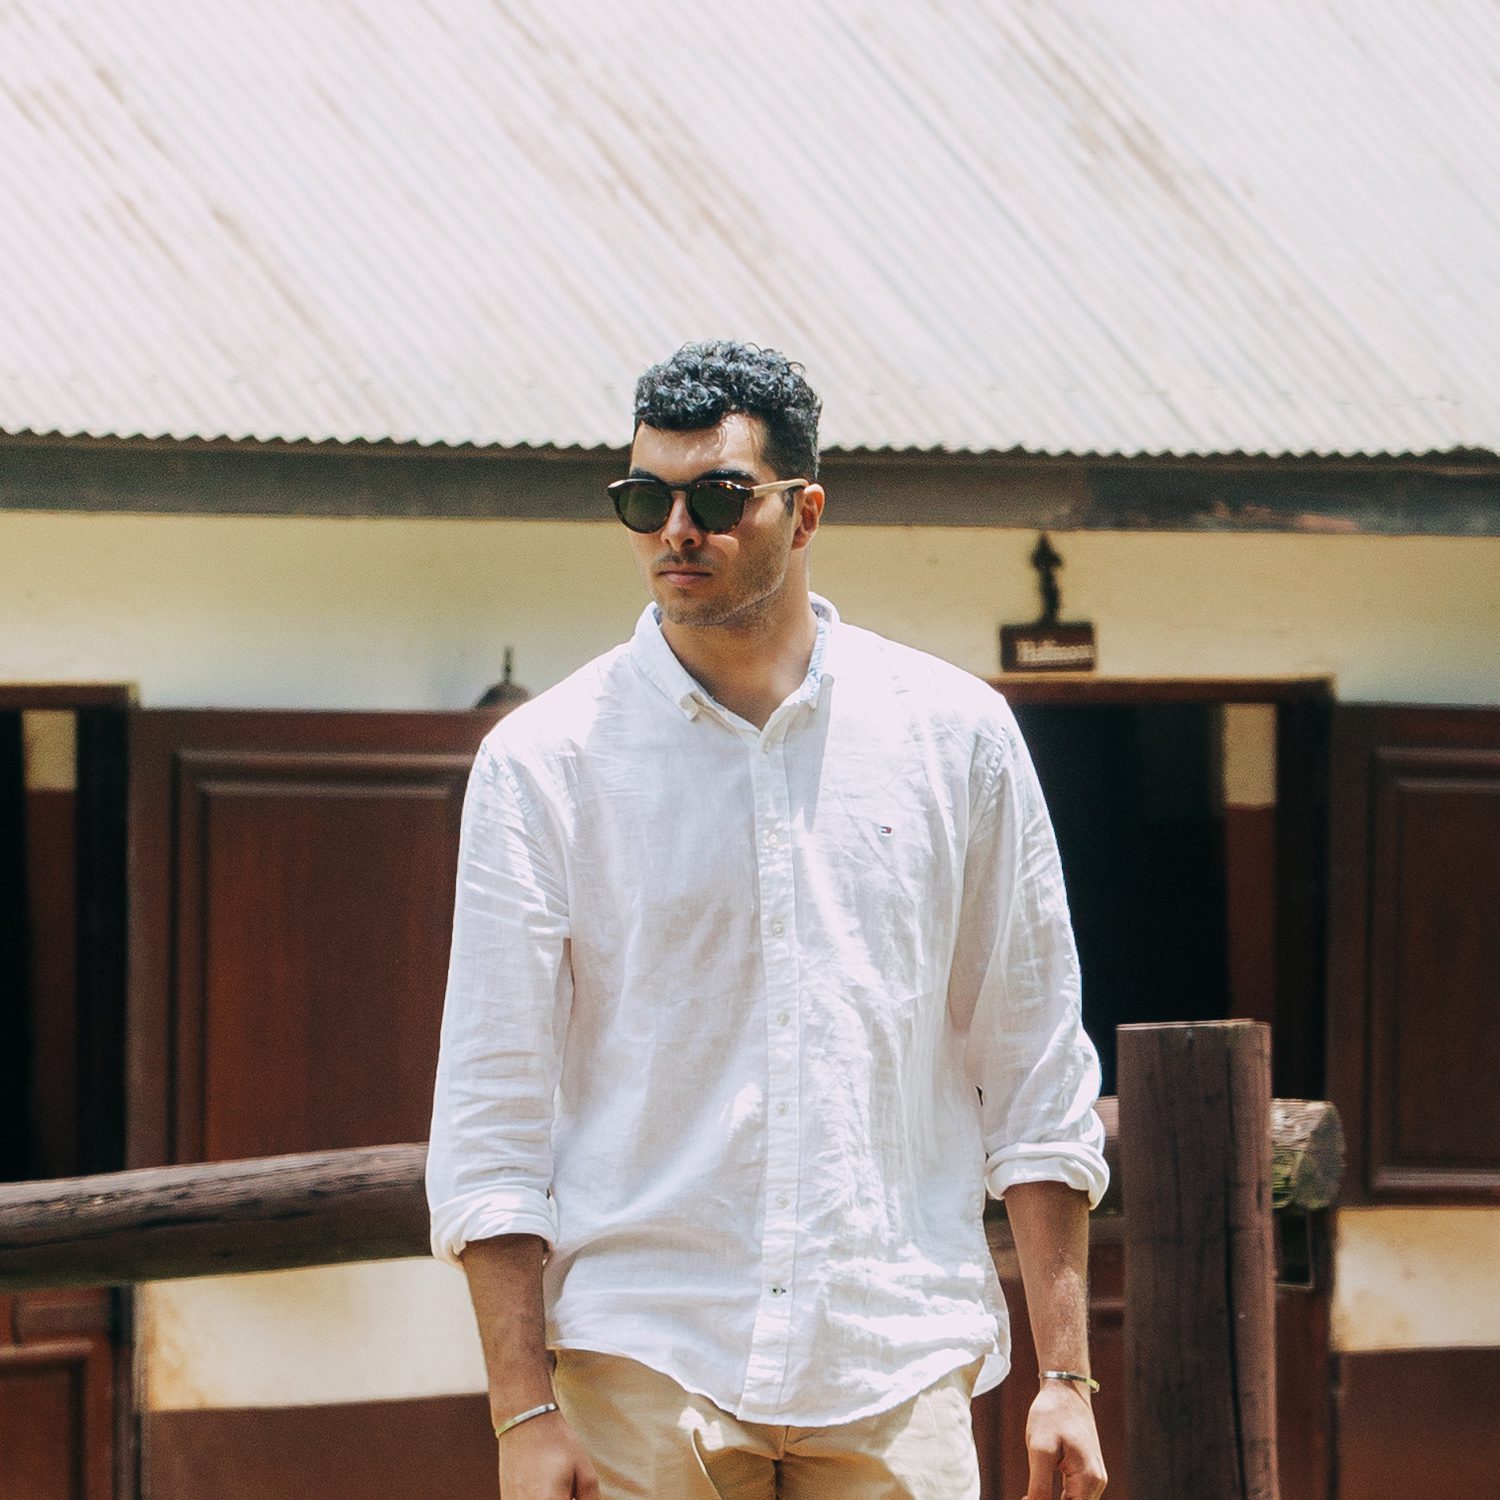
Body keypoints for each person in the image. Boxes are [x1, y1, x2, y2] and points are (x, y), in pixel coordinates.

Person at [427, 341, 1109, 1500]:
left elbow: (1034, 1066)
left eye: (717, 499)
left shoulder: (956, 739)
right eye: (643, 500)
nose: (674, 531)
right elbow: (493, 1109)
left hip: (892, 1355)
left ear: (805, 513)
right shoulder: (544, 762)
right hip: (643, 1362)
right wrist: (521, 1413)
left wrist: (1067, 1377)